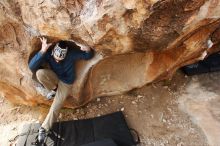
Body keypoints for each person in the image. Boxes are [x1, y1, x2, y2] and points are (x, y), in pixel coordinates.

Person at [29, 37, 94, 143]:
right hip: (55, 76)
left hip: (66, 83)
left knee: (56, 106)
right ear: (53, 51)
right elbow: (32, 66)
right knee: (39, 73)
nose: (57, 60)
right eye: (56, 57)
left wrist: (87, 49)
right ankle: (54, 89)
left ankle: (44, 129)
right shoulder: (49, 54)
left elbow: (88, 56)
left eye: (60, 58)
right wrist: (43, 50)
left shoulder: (71, 54)